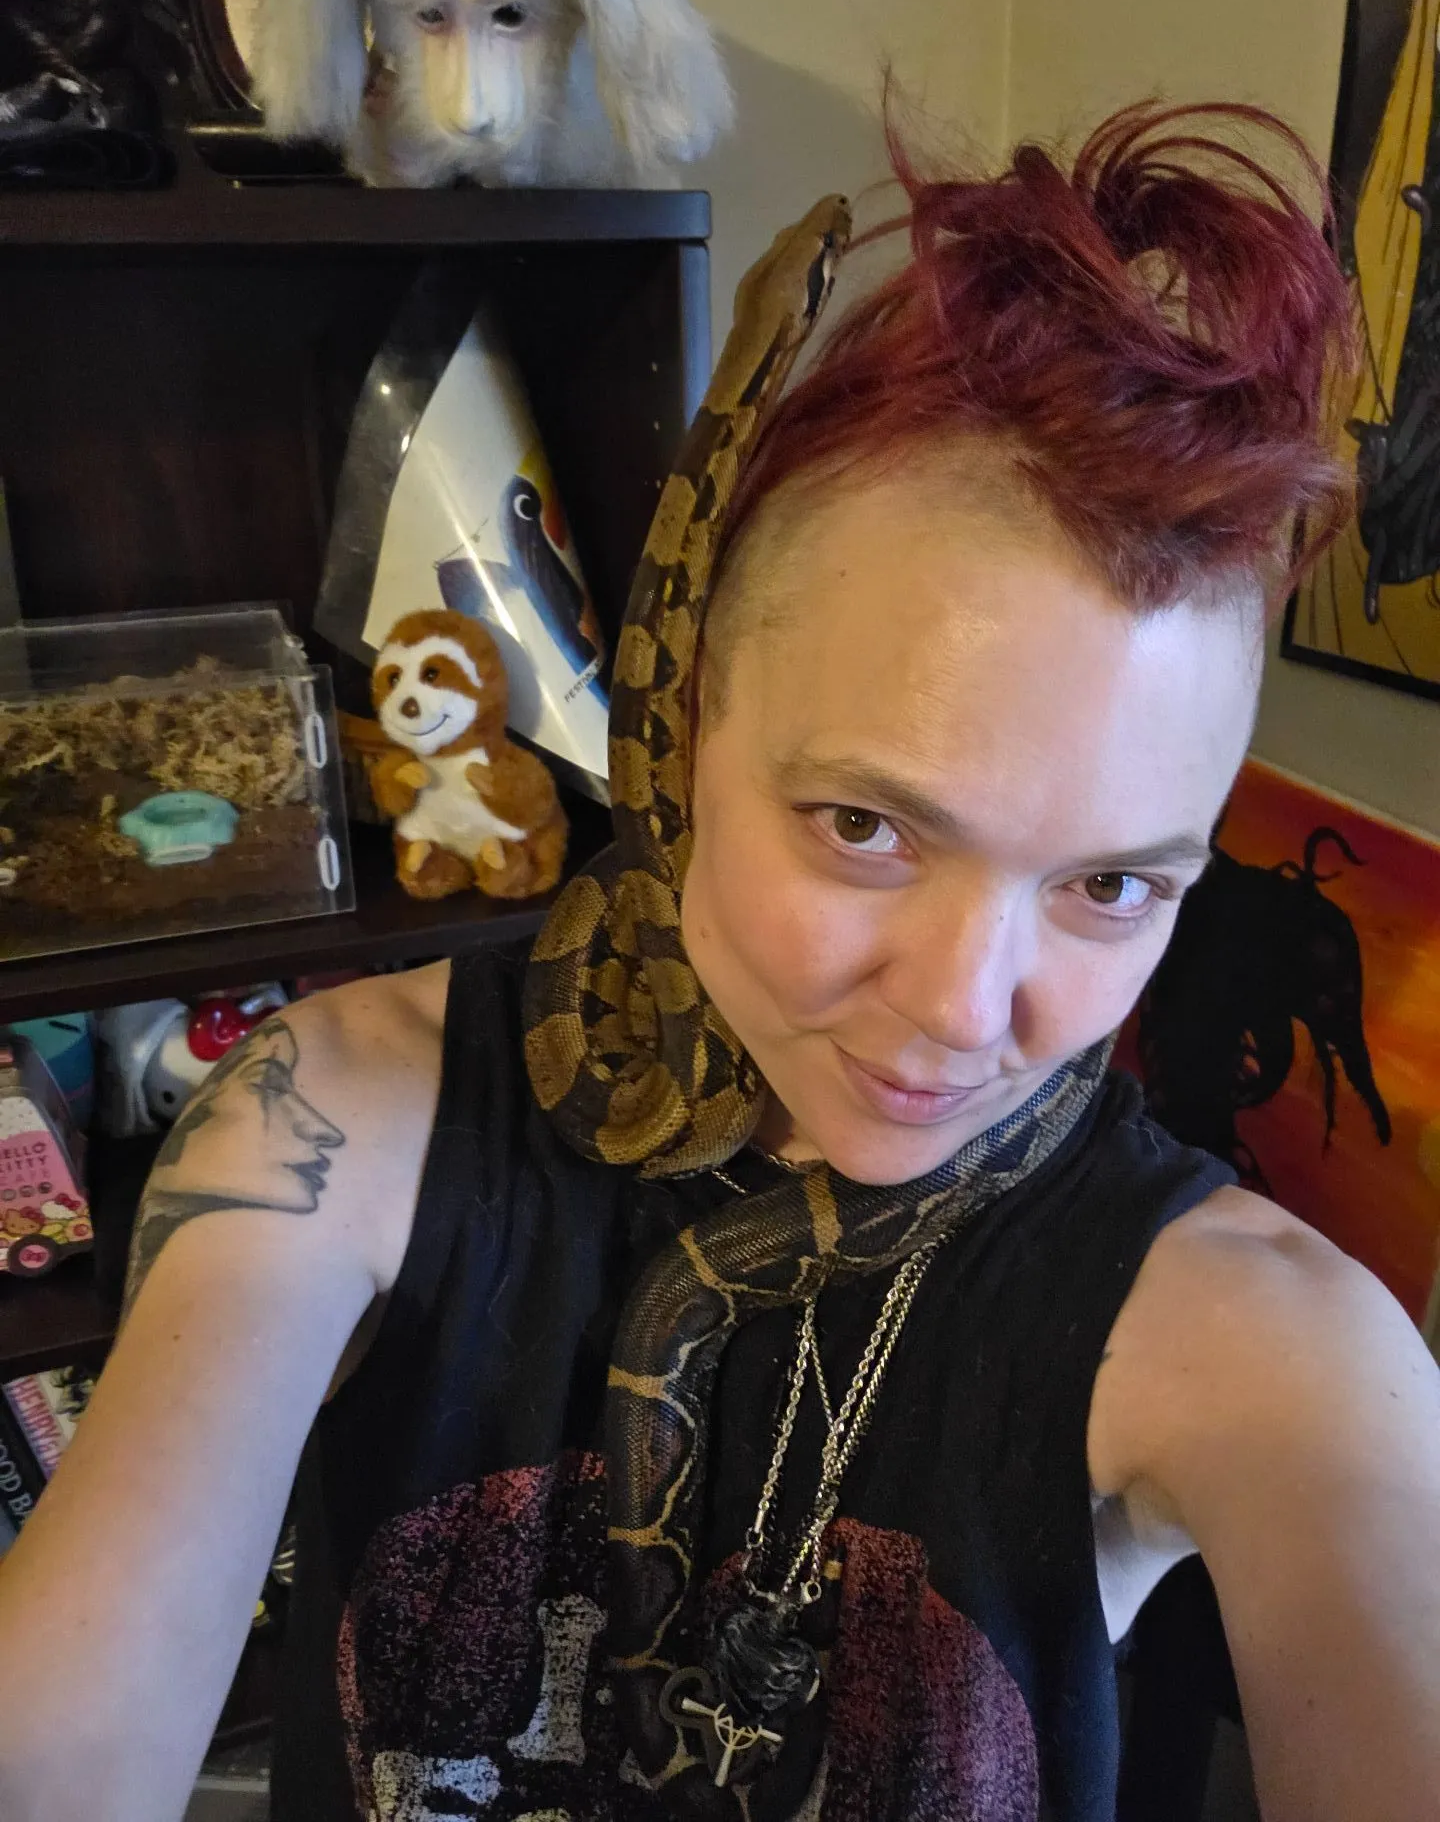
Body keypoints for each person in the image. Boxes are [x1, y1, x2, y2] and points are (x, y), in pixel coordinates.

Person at [1, 102, 1438, 1822]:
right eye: (866, 827)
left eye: (1113, 887)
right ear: (675, 743)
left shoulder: (1274, 1345)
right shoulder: (337, 1122)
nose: (965, 1010)